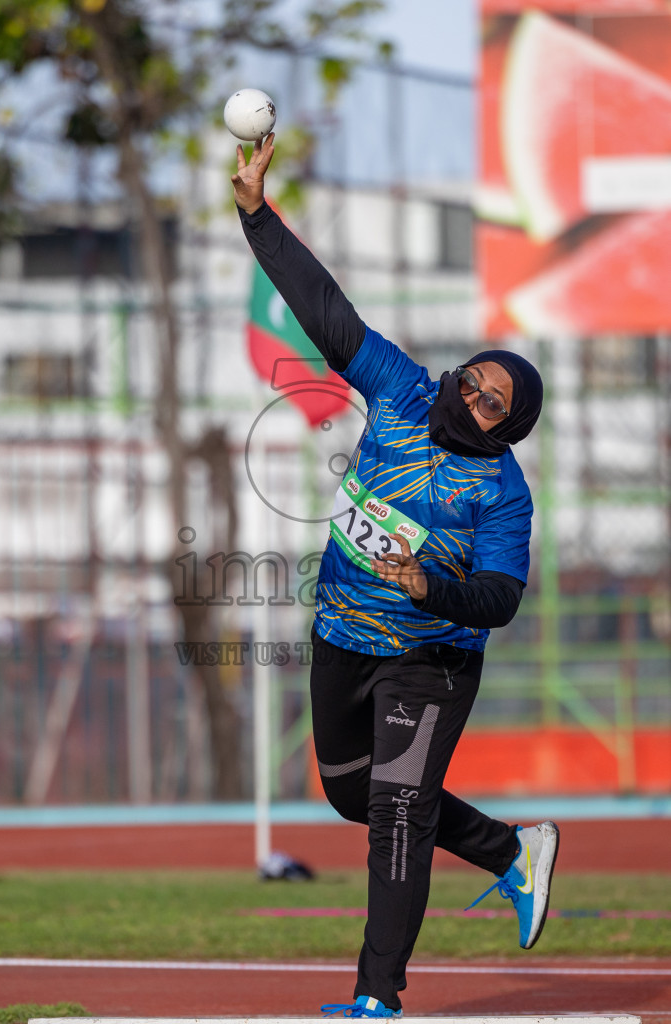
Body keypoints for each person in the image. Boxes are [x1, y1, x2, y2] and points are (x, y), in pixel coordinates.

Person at [232, 134, 559, 1019]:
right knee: (350, 794)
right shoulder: (404, 391)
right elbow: (323, 308)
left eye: (493, 402)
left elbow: (499, 599)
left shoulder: (501, 495)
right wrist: (256, 213)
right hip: (341, 633)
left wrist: (429, 589)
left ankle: (376, 999)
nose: (472, 397)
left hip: (431, 657)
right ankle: (507, 850)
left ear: (508, 429)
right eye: (473, 380)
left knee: (398, 814)